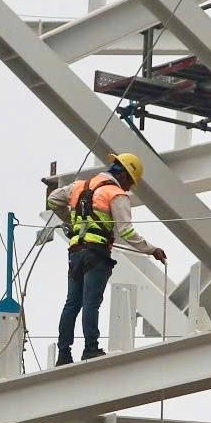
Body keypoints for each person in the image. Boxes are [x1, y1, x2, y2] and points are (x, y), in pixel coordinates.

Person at [46, 153, 166, 367]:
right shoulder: (116, 194)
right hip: (97, 254)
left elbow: (53, 199)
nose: (129, 189)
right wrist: (151, 249)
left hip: (75, 251)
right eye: (130, 183)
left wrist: (72, 223)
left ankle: (63, 354)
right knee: (91, 302)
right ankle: (90, 348)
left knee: (72, 303)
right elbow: (126, 232)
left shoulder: (79, 186)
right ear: (126, 176)